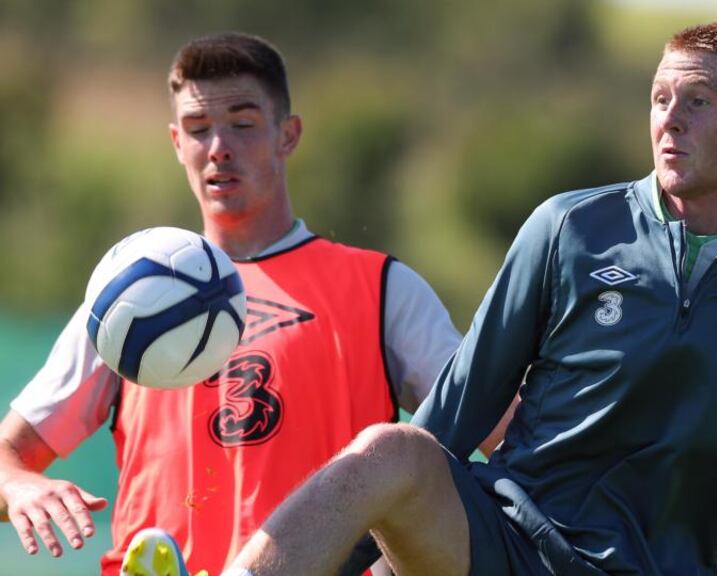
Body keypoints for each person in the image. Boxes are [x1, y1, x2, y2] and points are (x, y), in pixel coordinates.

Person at [137, 21, 717, 576]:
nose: (669, 121)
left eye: (698, 102)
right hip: (508, 543)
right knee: (393, 449)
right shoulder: (569, 229)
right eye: (660, 99)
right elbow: (454, 415)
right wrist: (375, 559)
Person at [0, 33, 465, 576]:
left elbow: (501, 429)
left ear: (287, 134)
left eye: (242, 124)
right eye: (199, 129)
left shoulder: (382, 286)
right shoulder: (125, 297)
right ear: (177, 142)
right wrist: (20, 485)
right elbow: (9, 456)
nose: (219, 146)